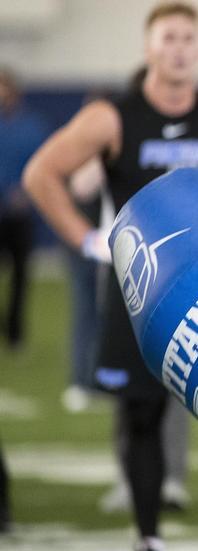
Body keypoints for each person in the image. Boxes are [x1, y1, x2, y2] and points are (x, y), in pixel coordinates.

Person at [23, 1, 198, 551]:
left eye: (188, 37)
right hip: (137, 295)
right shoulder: (114, 117)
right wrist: (86, 239)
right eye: (168, 38)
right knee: (140, 417)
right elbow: (42, 173)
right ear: (149, 48)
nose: (179, 48)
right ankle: (148, 545)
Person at [0, 67, 49, 353]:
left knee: (20, 278)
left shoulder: (32, 126)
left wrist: (26, 191)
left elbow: (44, 167)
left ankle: (15, 336)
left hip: (19, 217)